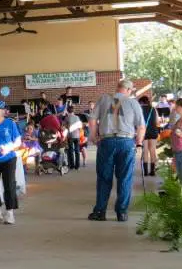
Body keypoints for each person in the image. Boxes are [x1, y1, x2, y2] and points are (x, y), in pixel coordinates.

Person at [88, 79, 146, 223]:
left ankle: (100, 212)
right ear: (128, 90)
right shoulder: (133, 103)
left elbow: (92, 120)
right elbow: (141, 127)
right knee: (125, 178)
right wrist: (138, 143)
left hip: (106, 141)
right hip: (126, 142)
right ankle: (122, 213)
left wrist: (94, 137)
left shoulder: (103, 99)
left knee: (103, 178)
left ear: (118, 87)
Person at [138, 95, 160, 177]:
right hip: (153, 131)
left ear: (141, 102)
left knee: (145, 150)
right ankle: (153, 171)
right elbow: (157, 122)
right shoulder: (153, 109)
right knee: (152, 150)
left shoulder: (140, 109)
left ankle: (146, 172)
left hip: (144, 132)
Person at [65, 107, 83, 171]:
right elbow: (80, 126)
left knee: (71, 151)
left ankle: (72, 166)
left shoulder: (67, 118)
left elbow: (65, 127)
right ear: (73, 111)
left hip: (70, 136)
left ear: (67, 111)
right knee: (77, 151)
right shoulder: (77, 117)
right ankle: (77, 166)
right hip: (77, 136)